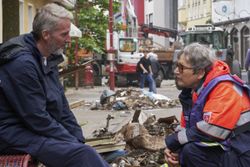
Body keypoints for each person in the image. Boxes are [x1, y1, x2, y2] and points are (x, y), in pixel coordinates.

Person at [0, 3, 109, 167]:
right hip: (11, 134)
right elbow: (36, 117)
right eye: (64, 34)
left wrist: (78, 139)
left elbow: (63, 109)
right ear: (46, 35)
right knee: (82, 155)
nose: (69, 40)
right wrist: (73, 144)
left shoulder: (47, 58)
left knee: (90, 151)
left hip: (31, 129)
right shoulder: (22, 64)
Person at [164, 43, 250, 167]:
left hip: (243, 154)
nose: (176, 71)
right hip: (233, 148)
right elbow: (186, 127)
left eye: (181, 67)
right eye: (176, 66)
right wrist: (173, 149)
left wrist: (174, 141)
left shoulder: (224, 88)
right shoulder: (194, 92)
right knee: (186, 150)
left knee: (191, 152)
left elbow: (212, 130)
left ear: (199, 73)